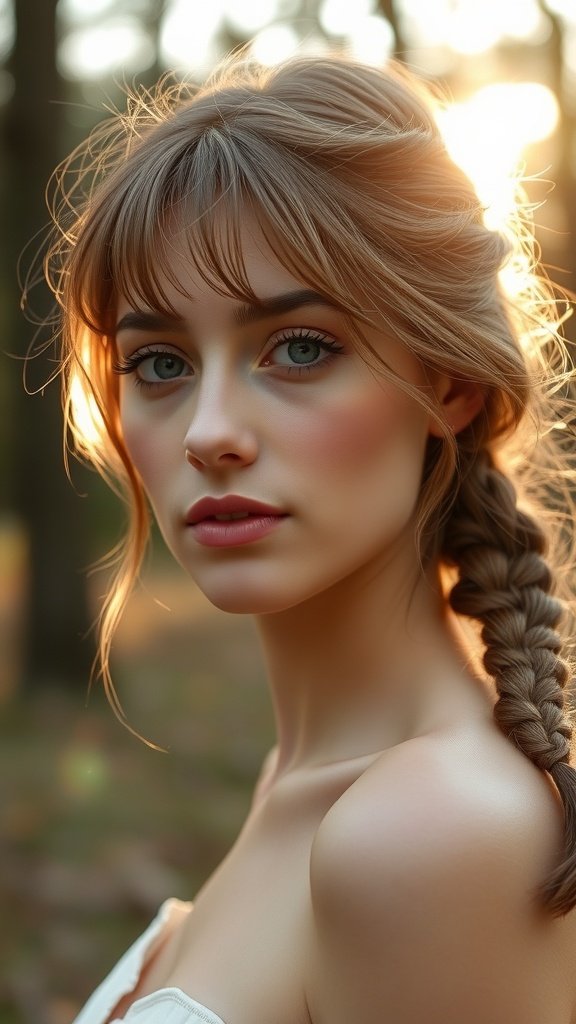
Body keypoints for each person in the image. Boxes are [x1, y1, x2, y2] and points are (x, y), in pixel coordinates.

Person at [44, 50, 576, 1024]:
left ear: (447, 384)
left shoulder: (427, 834)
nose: (209, 431)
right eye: (158, 361)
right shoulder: (302, 780)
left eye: (299, 347)